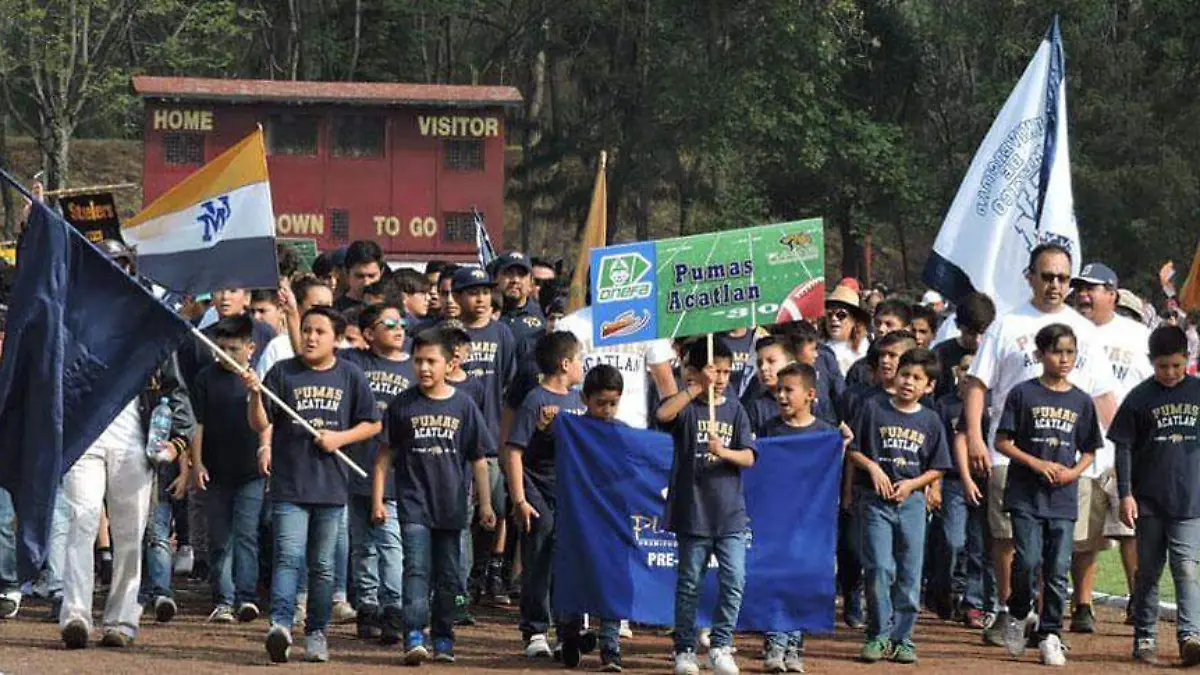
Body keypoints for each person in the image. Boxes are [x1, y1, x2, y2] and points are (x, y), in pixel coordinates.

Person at [963, 243, 1117, 645]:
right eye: (1047, 276)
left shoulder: (1084, 330)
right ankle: (1009, 611)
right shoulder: (1006, 324)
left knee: (1058, 547)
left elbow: (1101, 394)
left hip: (1067, 455)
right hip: (1010, 451)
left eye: (1063, 278)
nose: (1055, 285)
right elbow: (977, 384)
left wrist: (1121, 450)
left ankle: (1046, 625)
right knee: (1007, 539)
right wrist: (975, 437)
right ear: (1029, 276)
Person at [58, 240, 195, 649]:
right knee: (82, 522)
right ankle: (76, 615)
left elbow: (174, 389)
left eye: (120, 263)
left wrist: (177, 442)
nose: (114, 270)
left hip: (137, 439)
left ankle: (121, 619)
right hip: (84, 435)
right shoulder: (75, 315)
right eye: (107, 263)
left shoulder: (149, 320)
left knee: (130, 532)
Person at [246, 306, 382, 664]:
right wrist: (255, 394)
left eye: (320, 331)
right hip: (289, 485)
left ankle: (317, 632)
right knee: (288, 558)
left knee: (322, 566)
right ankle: (280, 625)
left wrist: (339, 438)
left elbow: (372, 423)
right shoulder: (282, 372)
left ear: (336, 339)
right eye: (306, 329)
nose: (310, 337)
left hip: (332, 487)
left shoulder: (350, 375)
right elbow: (260, 422)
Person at [374, 329, 497, 666]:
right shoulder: (402, 404)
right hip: (414, 504)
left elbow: (479, 459)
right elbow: (384, 457)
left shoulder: (464, 405)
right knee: (416, 569)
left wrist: (485, 504)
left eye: (431, 361)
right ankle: (414, 634)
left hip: (452, 507)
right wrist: (377, 500)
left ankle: (443, 636)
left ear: (450, 364)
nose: (424, 368)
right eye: (418, 361)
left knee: (448, 575)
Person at [996, 324, 1102, 667]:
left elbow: (1090, 449)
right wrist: (1036, 463)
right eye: (1057, 352)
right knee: (1027, 561)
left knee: (1057, 568)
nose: (1064, 359)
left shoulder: (1081, 400)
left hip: (1063, 497)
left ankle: (1050, 633)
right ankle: (1018, 612)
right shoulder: (1023, 394)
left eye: (1070, 352)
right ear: (1040, 354)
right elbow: (1002, 441)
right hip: (1026, 494)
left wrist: (1073, 472)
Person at [656, 340, 756, 675]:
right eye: (716, 371)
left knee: (735, 579)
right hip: (693, 512)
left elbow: (749, 456)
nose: (722, 378)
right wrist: (696, 387)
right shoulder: (687, 408)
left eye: (727, 372)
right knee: (689, 585)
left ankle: (721, 644)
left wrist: (723, 451)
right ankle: (684, 649)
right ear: (697, 371)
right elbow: (663, 414)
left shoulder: (736, 410)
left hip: (730, 514)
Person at [848, 348, 950, 665]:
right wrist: (872, 468)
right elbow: (853, 449)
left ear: (929, 386)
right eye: (905, 374)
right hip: (875, 501)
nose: (908, 382)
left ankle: (902, 637)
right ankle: (878, 634)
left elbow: (938, 466)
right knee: (878, 566)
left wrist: (913, 484)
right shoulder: (873, 408)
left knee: (909, 571)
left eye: (917, 378)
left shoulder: (930, 420)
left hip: (911, 503)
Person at [1066, 262, 1152, 631]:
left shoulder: (1138, 336)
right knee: (1084, 534)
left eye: (1092, 288)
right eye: (1080, 288)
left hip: (1127, 449)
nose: (1083, 295)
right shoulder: (1068, 330)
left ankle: (1139, 600)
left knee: (1130, 529)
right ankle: (1083, 605)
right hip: (1081, 450)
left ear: (1112, 294)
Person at [1112, 325, 1200, 666]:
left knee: (1186, 568)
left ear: (1187, 359)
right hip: (1148, 500)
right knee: (1148, 571)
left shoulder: (1197, 391)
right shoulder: (1139, 397)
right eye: (1163, 366)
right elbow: (1123, 448)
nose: (1170, 373)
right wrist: (1125, 494)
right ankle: (1145, 636)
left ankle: (1190, 636)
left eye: (1177, 365)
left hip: (1190, 500)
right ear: (1151, 361)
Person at [504, 332, 590, 664]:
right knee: (538, 557)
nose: (582, 366)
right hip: (536, 489)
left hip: (568, 491)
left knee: (567, 560)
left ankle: (568, 631)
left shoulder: (580, 401)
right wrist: (519, 500)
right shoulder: (535, 399)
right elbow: (514, 451)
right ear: (565, 364)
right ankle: (535, 630)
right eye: (580, 359)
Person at [339, 304, 415, 644]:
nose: (399, 329)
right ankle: (367, 607)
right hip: (359, 466)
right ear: (369, 333)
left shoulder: (414, 366)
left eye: (402, 323)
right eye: (390, 324)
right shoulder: (356, 362)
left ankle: (393, 608)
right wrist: (294, 314)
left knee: (391, 543)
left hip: (396, 472)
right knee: (363, 546)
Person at [188, 315, 268, 624]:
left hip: (250, 472)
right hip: (215, 471)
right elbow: (197, 424)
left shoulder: (257, 379)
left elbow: (266, 423)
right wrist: (197, 463)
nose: (225, 354)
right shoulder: (205, 378)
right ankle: (223, 599)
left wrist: (265, 448)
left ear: (250, 348)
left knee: (246, 535)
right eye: (220, 348)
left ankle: (246, 597)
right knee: (219, 538)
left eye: (233, 349)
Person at [759, 363, 835, 674]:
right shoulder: (769, 429)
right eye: (778, 390)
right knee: (777, 579)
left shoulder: (826, 433)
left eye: (789, 390)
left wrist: (843, 443)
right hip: (776, 520)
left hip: (812, 523)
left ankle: (794, 646)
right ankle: (775, 642)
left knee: (803, 582)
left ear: (810, 394)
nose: (781, 396)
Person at [450, 267, 517, 601]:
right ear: (457, 296)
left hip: (491, 436)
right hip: (453, 439)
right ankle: (460, 585)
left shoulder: (502, 333)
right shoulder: (448, 333)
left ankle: (483, 572)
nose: (480, 299)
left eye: (486, 292)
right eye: (473, 292)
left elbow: (509, 384)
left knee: (496, 508)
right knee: (461, 514)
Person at [935, 353, 995, 630]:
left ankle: (973, 601)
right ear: (955, 371)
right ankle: (948, 589)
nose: (968, 374)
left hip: (985, 482)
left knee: (980, 545)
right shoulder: (945, 405)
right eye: (964, 369)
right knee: (953, 541)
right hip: (952, 481)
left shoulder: (991, 404)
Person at [931, 292, 995, 401]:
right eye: (970, 333)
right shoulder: (941, 354)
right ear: (957, 325)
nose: (977, 340)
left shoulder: (995, 353)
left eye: (982, 333)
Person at [495, 252, 547, 346]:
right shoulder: (484, 315)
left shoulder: (544, 316)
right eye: (509, 273)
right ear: (496, 279)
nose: (515, 280)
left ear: (531, 283)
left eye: (521, 274)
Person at [822, 284, 872, 376]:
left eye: (841, 315)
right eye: (829, 314)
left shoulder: (866, 347)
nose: (833, 318)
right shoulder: (819, 348)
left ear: (854, 319)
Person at [335, 240, 385, 312]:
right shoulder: (335, 312)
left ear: (381, 272)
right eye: (360, 276)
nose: (366, 282)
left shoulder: (393, 310)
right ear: (346, 273)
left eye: (371, 276)